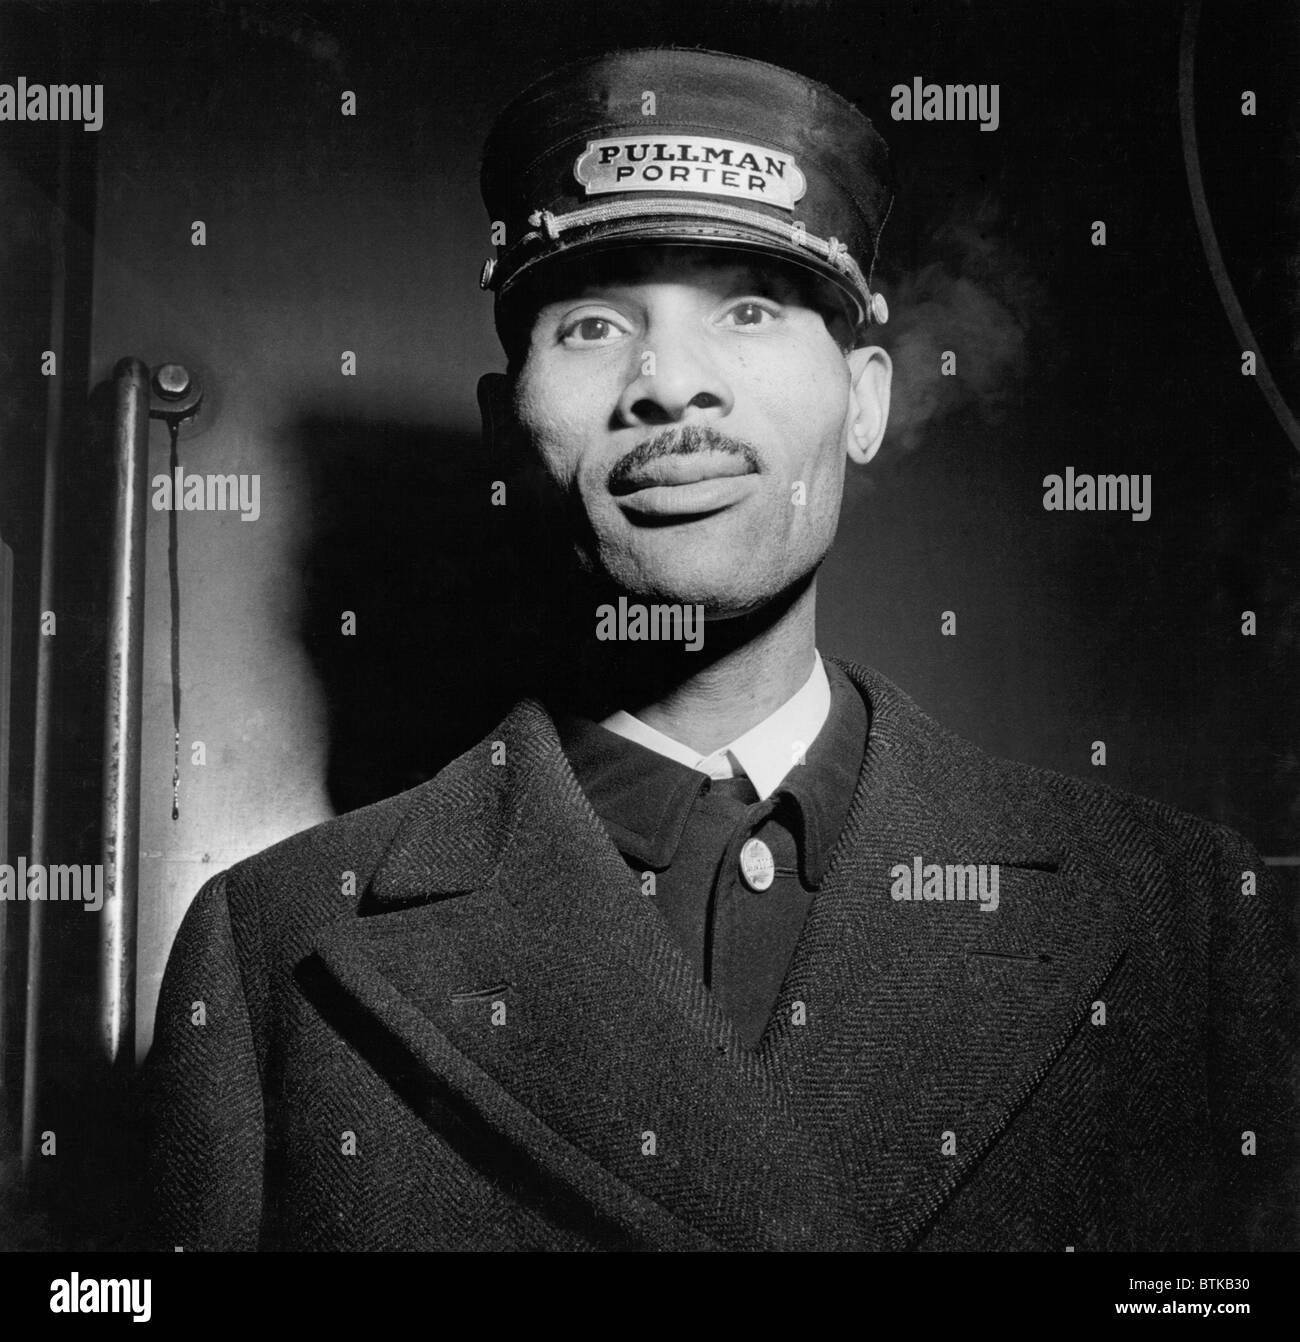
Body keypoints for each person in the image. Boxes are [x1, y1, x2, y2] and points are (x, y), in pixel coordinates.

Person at [140, 46, 1295, 1251]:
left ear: (864, 401)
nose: (670, 386)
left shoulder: (1184, 916)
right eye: (592, 323)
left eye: (747, 308)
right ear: (506, 430)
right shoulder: (274, 944)